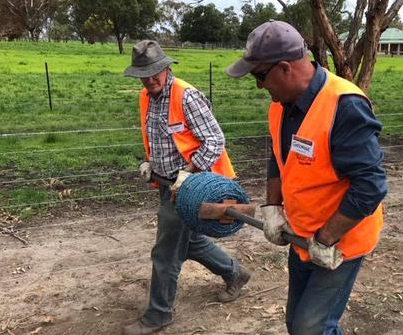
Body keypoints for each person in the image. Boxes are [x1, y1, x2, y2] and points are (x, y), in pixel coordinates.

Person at [226, 20, 387, 335]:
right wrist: (273, 207)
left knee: (310, 328)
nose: (259, 86)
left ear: (285, 68)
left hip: (339, 242)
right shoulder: (282, 105)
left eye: (260, 76)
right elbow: (278, 154)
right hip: (302, 235)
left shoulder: (345, 106)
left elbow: (371, 186)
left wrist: (326, 238)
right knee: (296, 323)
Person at [122, 40, 251, 335]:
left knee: (166, 252)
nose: (151, 79)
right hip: (166, 183)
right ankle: (236, 273)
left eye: (156, 72)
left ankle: (158, 314)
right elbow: (157, 136)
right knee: (188, 241)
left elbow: (215, 141)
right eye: (145, 74)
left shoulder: (186, 96)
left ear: (167, 68)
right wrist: (149, 162)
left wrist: (188, 174)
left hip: (191, 187)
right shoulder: (147, 96)